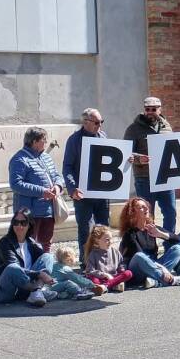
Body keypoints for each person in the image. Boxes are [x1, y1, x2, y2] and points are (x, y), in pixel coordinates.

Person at [62, 108, 111, 264]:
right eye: (97, 122)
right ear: (85, 122)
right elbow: (67, 166)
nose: (100, 125)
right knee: (86, 230)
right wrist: (72, 188)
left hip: (101, 193)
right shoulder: (74, 140)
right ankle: (87, 262)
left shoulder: (103, 136)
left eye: (101, 122)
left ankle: (104, 261)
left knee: (104, 228)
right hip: (82, 194)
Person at [124, 96, 177, 232]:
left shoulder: (167, 127)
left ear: (160, 110)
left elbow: (174, 148)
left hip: (166, 178)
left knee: (170, 213)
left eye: (154, 109)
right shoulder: (133, 129)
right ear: (144, 110)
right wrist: (138, 159)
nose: (150, 112)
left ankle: (169, 244)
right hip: (144, 179)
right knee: (146, 216)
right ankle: (149, 247)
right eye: (148, 109)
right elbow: (125, 153)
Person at [8, 127, 65, 250]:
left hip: (48, 211)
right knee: (28, 244)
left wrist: (58, 186)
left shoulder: (46, 157)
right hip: (30, 213)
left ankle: (44, 268)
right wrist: (42, 191)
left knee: (46, 244)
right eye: (43, 139)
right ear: (34, 141)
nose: (46, 142)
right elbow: (16, 184)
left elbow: (56, 175)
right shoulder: (19, 159)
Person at [118, 197, 180, 287]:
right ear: (132, 213)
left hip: (154, 267)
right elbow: (140, 255)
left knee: (177, 248)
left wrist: (160, 234)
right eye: (141, 207)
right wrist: (163, 269)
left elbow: (177, 239)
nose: (146, 208)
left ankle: (155, 281)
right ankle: (171, 280)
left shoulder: (151, 228)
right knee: (140, 256)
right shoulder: (129, 234)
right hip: (137, 271)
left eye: (146, 206)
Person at [0, 208, 59, 306]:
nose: (19, 226)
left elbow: (45, 264)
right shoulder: (5, 242)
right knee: (12, 267)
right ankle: (37, 291)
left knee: (48, 257)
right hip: (5, 291)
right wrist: (40, 274)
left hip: (24, 287)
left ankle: (36, 292)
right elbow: (14, 269)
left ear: (29, 224)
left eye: (23, 223)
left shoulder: (31, 243)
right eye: (16, 222)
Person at [83, 224, 133, 292]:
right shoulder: (93, 254)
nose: (110, 242)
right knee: (93, 279)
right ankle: (113, 286)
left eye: (111, 239)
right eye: (107, 240)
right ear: (97, 240)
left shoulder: (115, 251)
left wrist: (121, 269)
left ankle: (105, 286)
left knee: (128, 273)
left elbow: (121, 264)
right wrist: (105, 275)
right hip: (101, 278)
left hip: (114, 277)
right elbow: (90, 271)